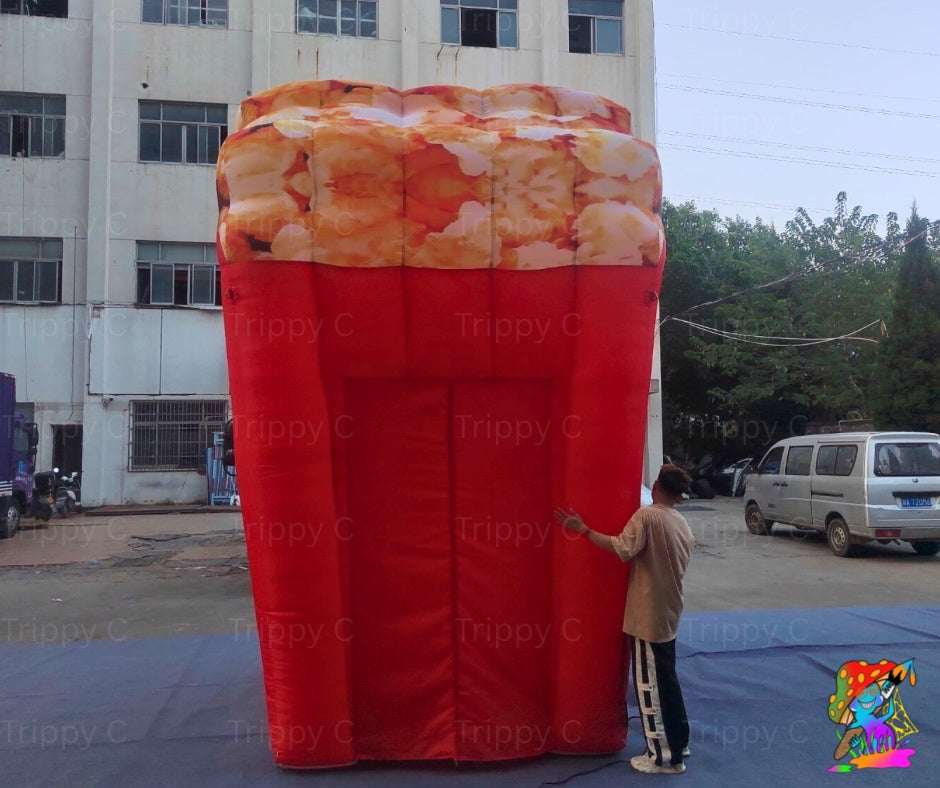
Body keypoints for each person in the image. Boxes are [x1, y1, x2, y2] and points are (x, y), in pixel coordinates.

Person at [554, 464, 694, 775]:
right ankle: (678, 742)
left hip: (648, 615)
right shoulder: (680, 522)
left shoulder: (648, 516)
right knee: (668, 682)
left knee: (650, 686)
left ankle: (663, 758)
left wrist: (584, 529)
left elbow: (622, 548)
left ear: (655, 486)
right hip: (669, 611)